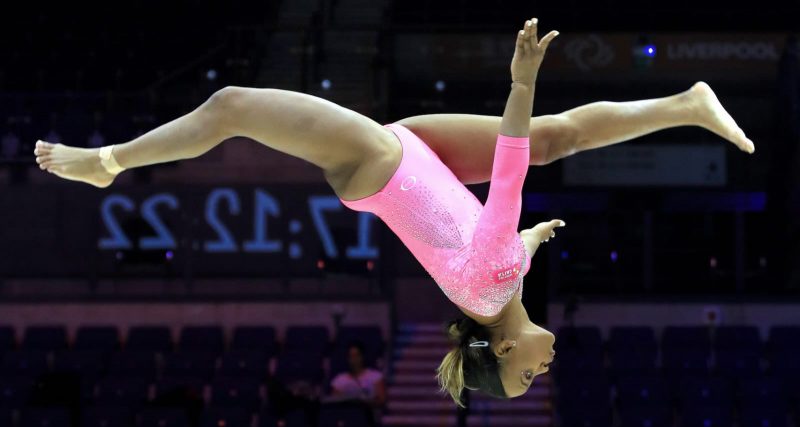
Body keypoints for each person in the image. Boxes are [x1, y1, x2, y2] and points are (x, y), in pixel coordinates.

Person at [33, 19, 754, 403]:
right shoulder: (499, 287)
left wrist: (521, 85)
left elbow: (503, 184)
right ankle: (685, 103)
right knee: (557, 141)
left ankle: (109, 164)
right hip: (418, 158)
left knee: (231, 107)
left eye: (528, 374)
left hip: (380, 165)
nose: (544, 366)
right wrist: (536, 235)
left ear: (503, 349)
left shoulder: (494, 285)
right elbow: (506, 240)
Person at [329, 341, 386, 407]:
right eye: (351, 356)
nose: (354, 360)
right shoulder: (339, 380)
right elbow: (334, 402)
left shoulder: (375, 377)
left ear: (362, 357)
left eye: (356, 356)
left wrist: (364, 403)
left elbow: (382, 400)